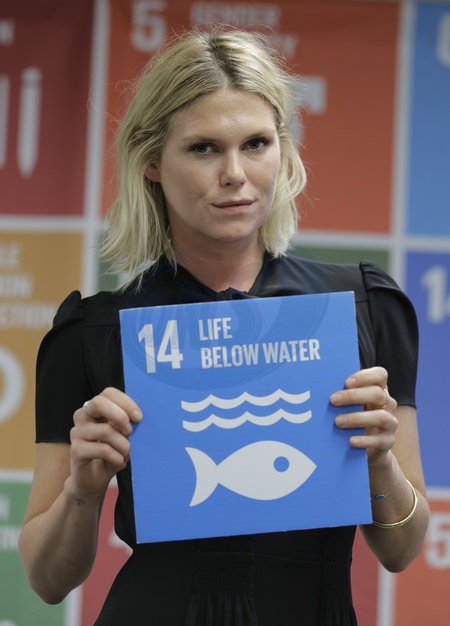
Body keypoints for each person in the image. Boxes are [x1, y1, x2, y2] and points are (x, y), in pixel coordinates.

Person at [18, 26, 429, 626]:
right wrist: (83, 488)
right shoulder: (93, 332)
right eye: (204, 148)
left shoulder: (364, 308)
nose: (235, 173)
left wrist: (379, 461)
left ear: (283, 148)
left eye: (256, 143)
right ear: (151, 161)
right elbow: (46, 581)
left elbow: (402, 550)